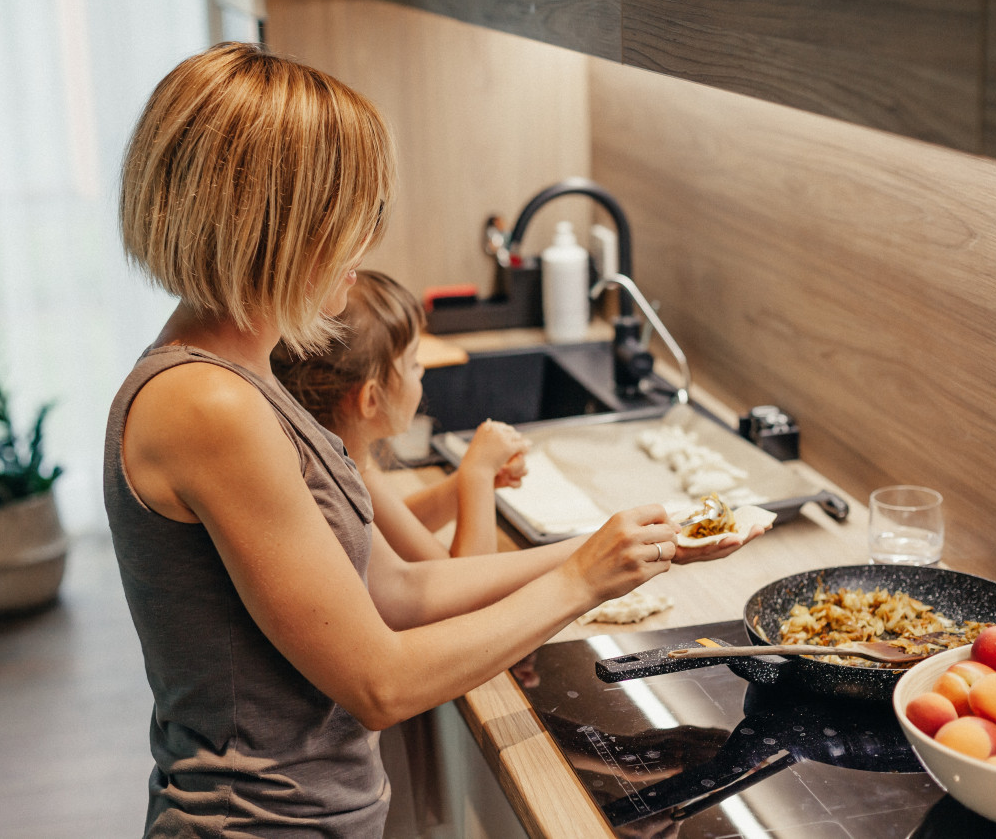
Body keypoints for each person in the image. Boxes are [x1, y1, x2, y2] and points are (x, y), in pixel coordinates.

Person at [105, 41, 759, 838]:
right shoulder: (209, 403)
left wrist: (611, 547)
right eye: (349, 215)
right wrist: (579, 583)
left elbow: (398, 592)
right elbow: (378, 680)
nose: (366, 241)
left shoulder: (246, 373)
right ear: (276, 224)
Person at [273, 269, 529, 561]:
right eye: (412, 363)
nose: (421, 371)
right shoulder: (342, 480)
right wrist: (478, 476)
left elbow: (397, 531)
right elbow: (468, 583)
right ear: (370, 399)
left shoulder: (343, 461)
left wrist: (459, 486)